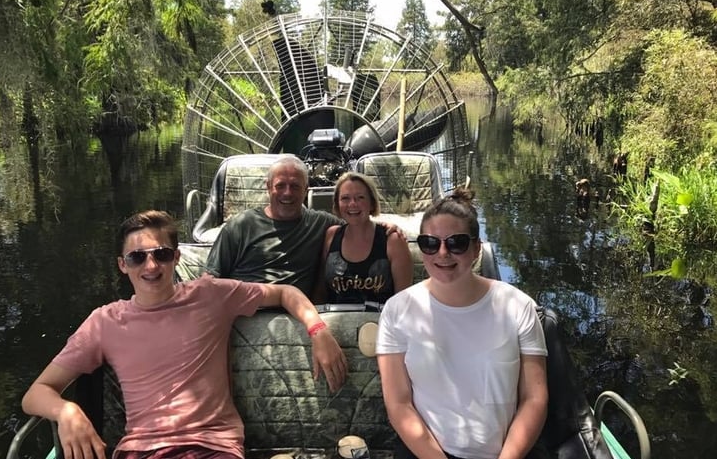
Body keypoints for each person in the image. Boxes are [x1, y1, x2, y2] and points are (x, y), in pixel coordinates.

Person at [21, 210, 347, 459]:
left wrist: (318, 331)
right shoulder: (104, 322)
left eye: (161, 254)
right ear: (123, 265)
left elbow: (285, 292)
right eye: (138, 257)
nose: (151, 266)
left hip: (213, 447)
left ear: (176, 257)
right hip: (140, 450)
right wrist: (66, 410)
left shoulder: (210, 295)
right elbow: (36, 393)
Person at [375, 189, 548, 459]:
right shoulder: (397, 311)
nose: (443, 253)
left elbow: (534, 399)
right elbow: (399, 404)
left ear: (477, 248)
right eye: (430, 243)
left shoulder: (518, 307)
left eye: (456, 243)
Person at [205, 155, 341, 295]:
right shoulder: (241, 225)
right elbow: (210, 278)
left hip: (297, 312)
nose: (287, 193)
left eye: (295, 186)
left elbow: (359, 226)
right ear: (268, 187)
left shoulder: (319, 223)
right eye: (280, 186)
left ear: (305, 190)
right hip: (247, 310)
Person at [318, 172, 413, 305]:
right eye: (345, 198)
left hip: (380, 322)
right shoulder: (331, 235)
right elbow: (321, 290)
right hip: (335, 322)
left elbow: (404, 301)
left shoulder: (393, 240)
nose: (352, 204)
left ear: (372, 204)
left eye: (360, 197)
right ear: (337, 204)